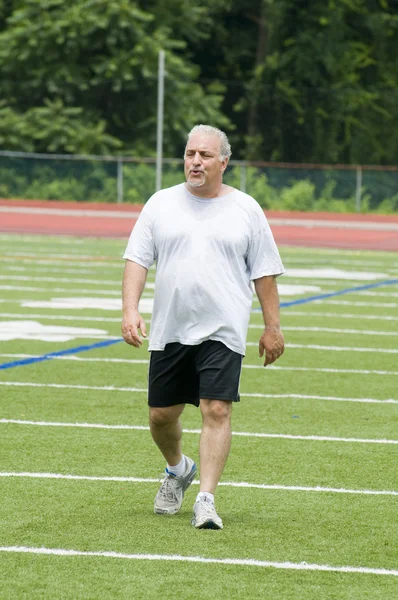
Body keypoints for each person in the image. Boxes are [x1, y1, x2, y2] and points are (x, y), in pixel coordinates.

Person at [121, 124, 285, 530]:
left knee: (216, 408)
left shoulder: (246, 209)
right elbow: (137, 260)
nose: (195, 161)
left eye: (205, 155)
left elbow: (264, 273)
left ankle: (206, 500)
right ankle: (178, 468)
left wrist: (272, 328)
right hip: (171, 329)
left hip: (223, 329)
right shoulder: (160, 204)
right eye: (190, 154)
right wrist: (130, 309)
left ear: (223, 162)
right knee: (161, 415)